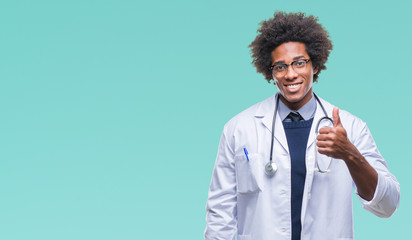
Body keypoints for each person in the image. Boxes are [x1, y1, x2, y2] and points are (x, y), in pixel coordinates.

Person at [204, 12, 400, 240]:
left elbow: (388, 205)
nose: (290, 74)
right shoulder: (239, 128)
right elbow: (220, 215)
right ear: (270, 73)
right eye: (280, 67)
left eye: (299, 63)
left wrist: (350, 154)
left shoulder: (351, 127)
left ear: (315, 65)